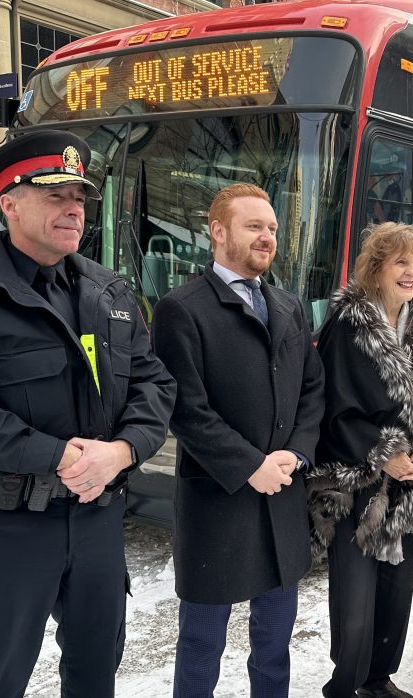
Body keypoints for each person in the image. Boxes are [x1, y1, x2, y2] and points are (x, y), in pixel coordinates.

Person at [0, 130, 177, 697]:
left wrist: (122, 451)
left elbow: (154, 383)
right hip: (12, 527)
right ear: (10, 203)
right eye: (56, 196)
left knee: (96, 673)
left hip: (99, 519)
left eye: (79, 197)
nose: (74, 209)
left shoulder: (111, 294)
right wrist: (57, 455)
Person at [151, 183, 325, 698]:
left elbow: (313, 389)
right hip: (218, 501)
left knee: (274, 641)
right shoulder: (181, 308)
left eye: (272, 228)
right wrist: (251, 464)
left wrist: (295, 453)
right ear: (218, 231)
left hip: (282, 498)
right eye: (255, 226)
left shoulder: (289, 306)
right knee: (203, 642)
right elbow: (185, 408)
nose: (267, 237)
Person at [307, 222, 413, 698]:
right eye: (400, 261)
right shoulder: (347, 322)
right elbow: (332, 408)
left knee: (395, 598)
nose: (411, 272)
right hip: (359, 485)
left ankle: (377, 680)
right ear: (375, 269)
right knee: (355, 603)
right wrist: (384, 456)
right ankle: (345, 686)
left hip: (410, 487)